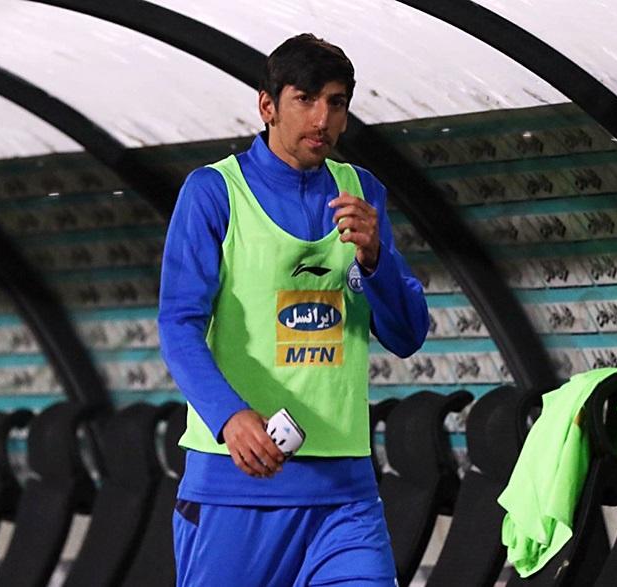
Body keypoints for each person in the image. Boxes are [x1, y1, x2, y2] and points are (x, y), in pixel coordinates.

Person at [158, 33, 428, 586]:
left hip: (345, 497)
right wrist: (229, 417)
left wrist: (376, 258)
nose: (322, 118)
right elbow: (178, 326)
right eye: (305, 99)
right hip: (237, 489)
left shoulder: (362, 192)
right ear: (268, 105)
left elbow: (407, 335)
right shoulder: (213, 192)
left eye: (336, 103)